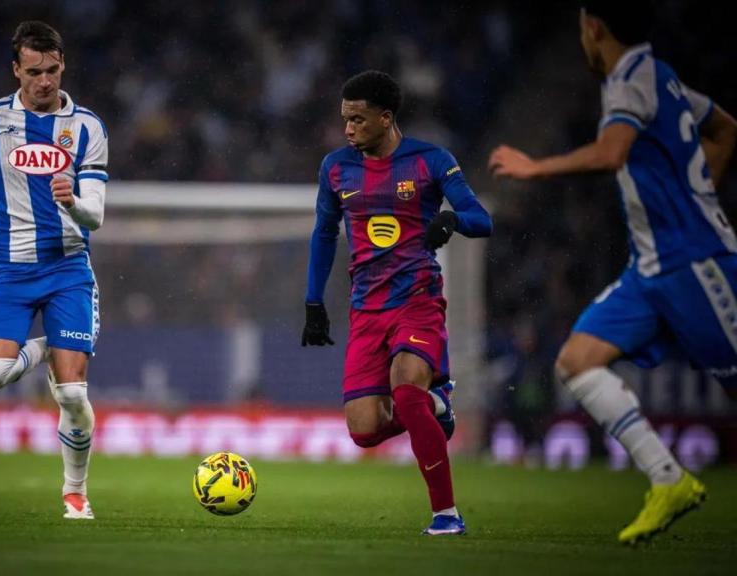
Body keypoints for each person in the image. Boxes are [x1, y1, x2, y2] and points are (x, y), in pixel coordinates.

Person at [488, 0, 737, 544]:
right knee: (577, 361)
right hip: (650, 271)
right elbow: (725, 129)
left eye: (581, 27)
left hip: (695, 263)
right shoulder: (660, 77)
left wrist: (536, 167)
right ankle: (669, 480)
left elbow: (611, 152)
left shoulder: (628, 81)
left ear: (593, 27)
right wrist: (695, 195)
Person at [303, 71, 493, 535]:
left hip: (418, 299)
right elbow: (324, 234)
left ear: (386, 118)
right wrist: (313, 302)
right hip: (366, 308)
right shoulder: (335, 168)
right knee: (364, 431)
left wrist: (451, 221)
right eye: (345, 119)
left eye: (357, 120)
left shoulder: (431, 161)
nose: (348, 129)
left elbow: (480, 218)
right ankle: (437, 406)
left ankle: (446, 515)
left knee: (406, 392)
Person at [0, 21, 107, 520]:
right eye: (34, 72)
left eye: (52, 70)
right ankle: (47, 348)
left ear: (63, 66)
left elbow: (96, 216)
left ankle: (75, 493)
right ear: (16, 70)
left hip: (67, 269)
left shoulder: (87, 127)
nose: (44, 81)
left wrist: (73, 202)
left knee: (73, 394)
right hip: (9, 271)